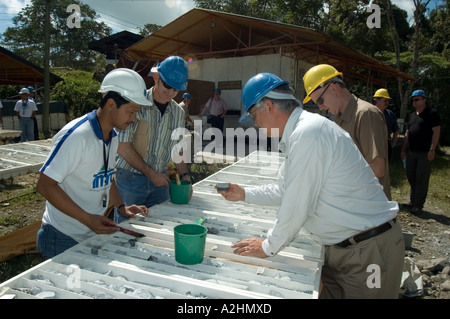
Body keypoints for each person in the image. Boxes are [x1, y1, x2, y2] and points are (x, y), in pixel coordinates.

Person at [219, 72, 404, 299]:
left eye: (254, 117)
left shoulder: (310, 134)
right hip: (345, 250)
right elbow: (284, 191)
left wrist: (268, 246)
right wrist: (244, 194)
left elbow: (296, 204)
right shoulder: (300, 135)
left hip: (369, 252)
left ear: (268, 106)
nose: (256, 125)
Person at [36, 68, 150, 259]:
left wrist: (121, 207)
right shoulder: (78, 136)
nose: (133, 119)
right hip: (61, 236)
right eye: (131, 111)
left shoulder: (113, 136)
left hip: (87, 231)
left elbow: (106, 175)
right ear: (112, 104)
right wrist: (88, 219)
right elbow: (45, 185)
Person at [115, 56, 192, 223]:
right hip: (130, 180)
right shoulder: (136, 104)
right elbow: (122, 146)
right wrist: (151, 174)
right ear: (156, 78)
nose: (171, 92)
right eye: (168, 86)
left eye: (176, 89)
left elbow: (177, 149)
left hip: (160, 182)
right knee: (128, 231)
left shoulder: (178, 113)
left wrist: (185, 175)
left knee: (160, 227)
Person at [303, 64, 392, 200]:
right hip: (352, 204)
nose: (320, 107)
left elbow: (377, 168)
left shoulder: (366, 114)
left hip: (369, 209)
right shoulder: (338, 120)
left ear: (333, 88)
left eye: (320, 100)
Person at [401, 89, 441, 214]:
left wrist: (432, 149)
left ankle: (418, 205)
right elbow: (408, 133)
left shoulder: (432, 114)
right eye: (413, 100)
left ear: (424, 100)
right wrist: (403, 149)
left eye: (417, 99)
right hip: (411, 152)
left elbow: (436, 131)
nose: (414, 101)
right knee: (411, 176)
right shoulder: (412, 116)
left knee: (421, 179)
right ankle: (412, 202)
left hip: (424, 153)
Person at [374, 88, 400, 161]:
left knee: (385, 166)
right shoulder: (370, 112)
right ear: (377, 100)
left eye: (388, 101)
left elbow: (396, 130)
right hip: (373, 144)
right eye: (385, 100)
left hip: (386, 144)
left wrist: (393, 143)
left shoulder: (390, 114)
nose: (387, 103)